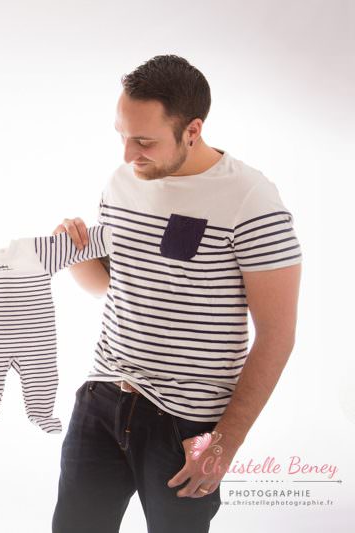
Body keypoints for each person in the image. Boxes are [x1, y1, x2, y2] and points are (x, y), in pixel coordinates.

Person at [51, 55, 302, 533]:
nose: (128, 154)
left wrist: (223, 444)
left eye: (144, 141)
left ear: (192, 130)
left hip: (185, 423)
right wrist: (75, 253)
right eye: (122, 136)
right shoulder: (123, 181)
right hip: (103, 398)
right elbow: (114, 287)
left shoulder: (252, 199)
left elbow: (277, 335)